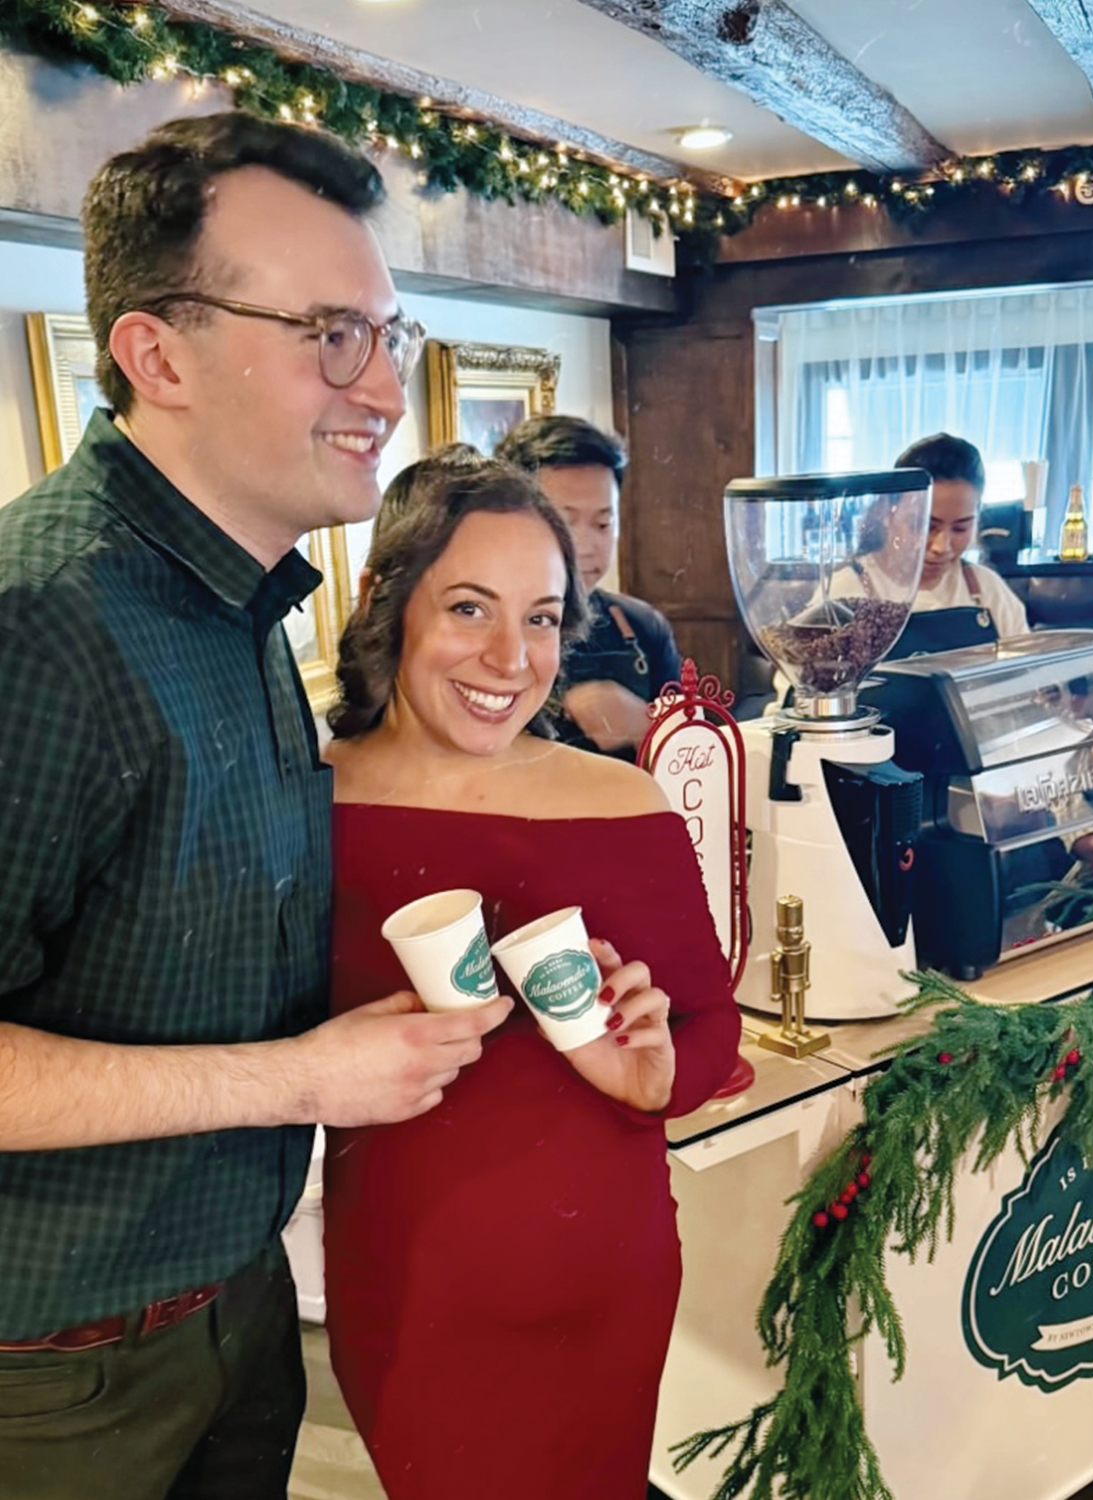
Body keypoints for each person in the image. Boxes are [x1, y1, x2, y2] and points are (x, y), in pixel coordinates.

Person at [0, 113, 510, 1500]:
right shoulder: (42, 621)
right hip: (55, 1375)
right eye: (329, 334)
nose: (386, 390)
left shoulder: (245, 600)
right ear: (155, 356)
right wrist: (301, 1077)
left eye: (388, 336)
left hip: (236, 1307)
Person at [321, 456, 742, 1500]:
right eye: (470, 607)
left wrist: (655, 1074)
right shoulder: (303, 800)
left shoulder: (622, 803)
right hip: (409, 1278)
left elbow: (711, 1030)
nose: (512, 658)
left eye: (544, 619)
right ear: (385, 600)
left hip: (604, 1267)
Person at [496, 414, 682, 758]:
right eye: (565, 522)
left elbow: (698, 761)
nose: (585, 545)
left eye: (602, 523)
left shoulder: (642, 627)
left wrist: (644, 725)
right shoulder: (487, 635)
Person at [882, 432, 1029, 657]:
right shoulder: (846, 593)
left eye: (960, 528)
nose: (942, 547)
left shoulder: (986, 588)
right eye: (924, 526)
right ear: (889, 513)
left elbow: (1026, 677)